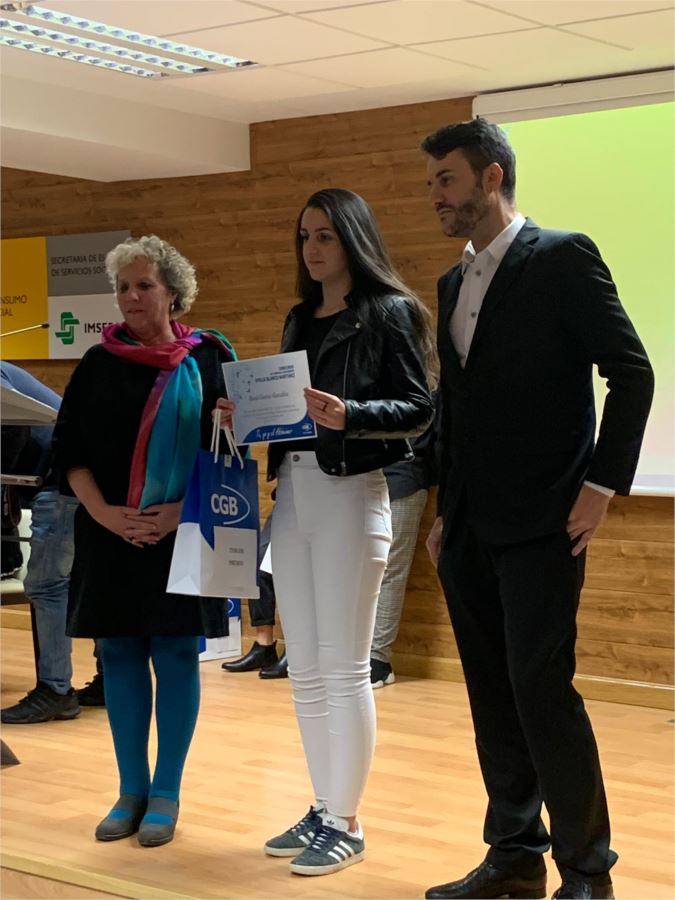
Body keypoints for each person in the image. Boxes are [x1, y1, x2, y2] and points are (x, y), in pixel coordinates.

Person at [421, 119, 654, 900]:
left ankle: (586, 871)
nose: (435, 197)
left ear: (491, 178)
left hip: (546, 521)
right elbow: (456, 408)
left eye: (446, 180)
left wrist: (600, 486)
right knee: (491, 695)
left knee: (540, 692)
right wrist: (444, 510)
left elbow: (631, 373)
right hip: (469, 528)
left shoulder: (560, 257)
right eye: (431, 184)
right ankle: (513, 856)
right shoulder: (451, 282)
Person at [219, 187, 434, 876]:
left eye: (324, 236)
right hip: (294, 494)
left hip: (351, 493)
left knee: (344, 668)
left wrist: (353, 414)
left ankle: (346, 821)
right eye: (304, 237)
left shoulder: (391, 311)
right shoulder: (299, 317)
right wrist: (245, 415)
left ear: (352, 239)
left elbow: (420, 408)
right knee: (305, 668)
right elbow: (288, 411)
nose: (311, 249)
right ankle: (323, 806)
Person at [52, 235, 237, 847]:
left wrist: (180, 513)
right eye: (123, 287)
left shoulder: (210, 358)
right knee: (121, 656)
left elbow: (229, 454)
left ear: (173, 293)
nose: (131, 297)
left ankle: (166, 793)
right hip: (110, 533)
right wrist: (107, 515)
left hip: (185, 530)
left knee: (177, 655)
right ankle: (130, 790)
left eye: (144, 285)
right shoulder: (96, 363)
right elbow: (69, 453)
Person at [0, 362, 91, 724]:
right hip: (72, 476)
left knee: (48, 585)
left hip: (61, 478)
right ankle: (105, 681)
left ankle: (55, 691)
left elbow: (12, 428)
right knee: (83, 581)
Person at [370, 394, 440, 689]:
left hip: (406, 475)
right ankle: (356, 654)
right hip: (362, 475)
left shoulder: (431, 380)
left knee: (390, 568)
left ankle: (378, 659)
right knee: (356, 569)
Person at [222, 515, 288, 679]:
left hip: (319, 507)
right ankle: (264, 647)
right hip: (285, 505)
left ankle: (297, 650)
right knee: (258, 568)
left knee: (295, 571)